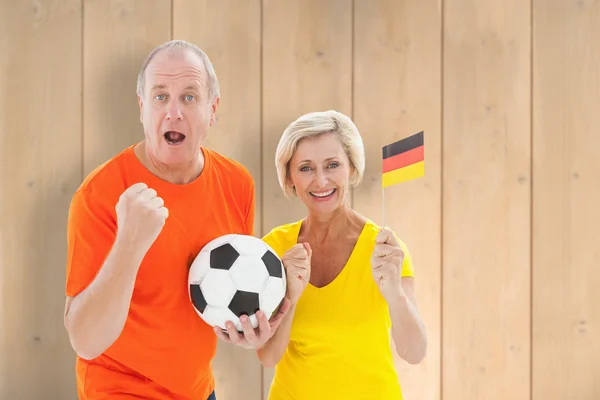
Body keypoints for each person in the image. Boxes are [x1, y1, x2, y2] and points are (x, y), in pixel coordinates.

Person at [63, 40, 289, 400]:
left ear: (212, 109)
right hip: (118, 390)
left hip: (198, 390)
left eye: (189, 97)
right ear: (141, 107)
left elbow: (225, 292)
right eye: (159, 96)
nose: (173, 112)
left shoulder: (237, 183)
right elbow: (85, 341)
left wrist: (250, 329)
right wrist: (130, 243)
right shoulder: (99, 195)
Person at [217, 110, 428, 399]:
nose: (321, 181)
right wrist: (290, 294)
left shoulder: (386, 250)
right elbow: (269, 357)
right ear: (290, 177)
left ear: (351, 169)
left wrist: (395, 295)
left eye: (332, 165)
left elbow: (415, 353)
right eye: (305, 168)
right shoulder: (273, 249)